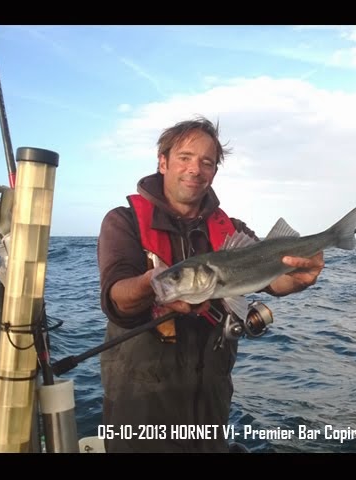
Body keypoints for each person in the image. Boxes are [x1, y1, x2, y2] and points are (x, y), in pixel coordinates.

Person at [97, 116, 324, 453]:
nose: (195, 169)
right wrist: (151, 284)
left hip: (211, 393)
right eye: (185, 158)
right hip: (141, 394)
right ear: (163, 162)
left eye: (207, 162)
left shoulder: (231, 229)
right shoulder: (124, 221)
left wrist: (299, 280)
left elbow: (271, 281)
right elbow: (116, 299)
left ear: (214, 172)